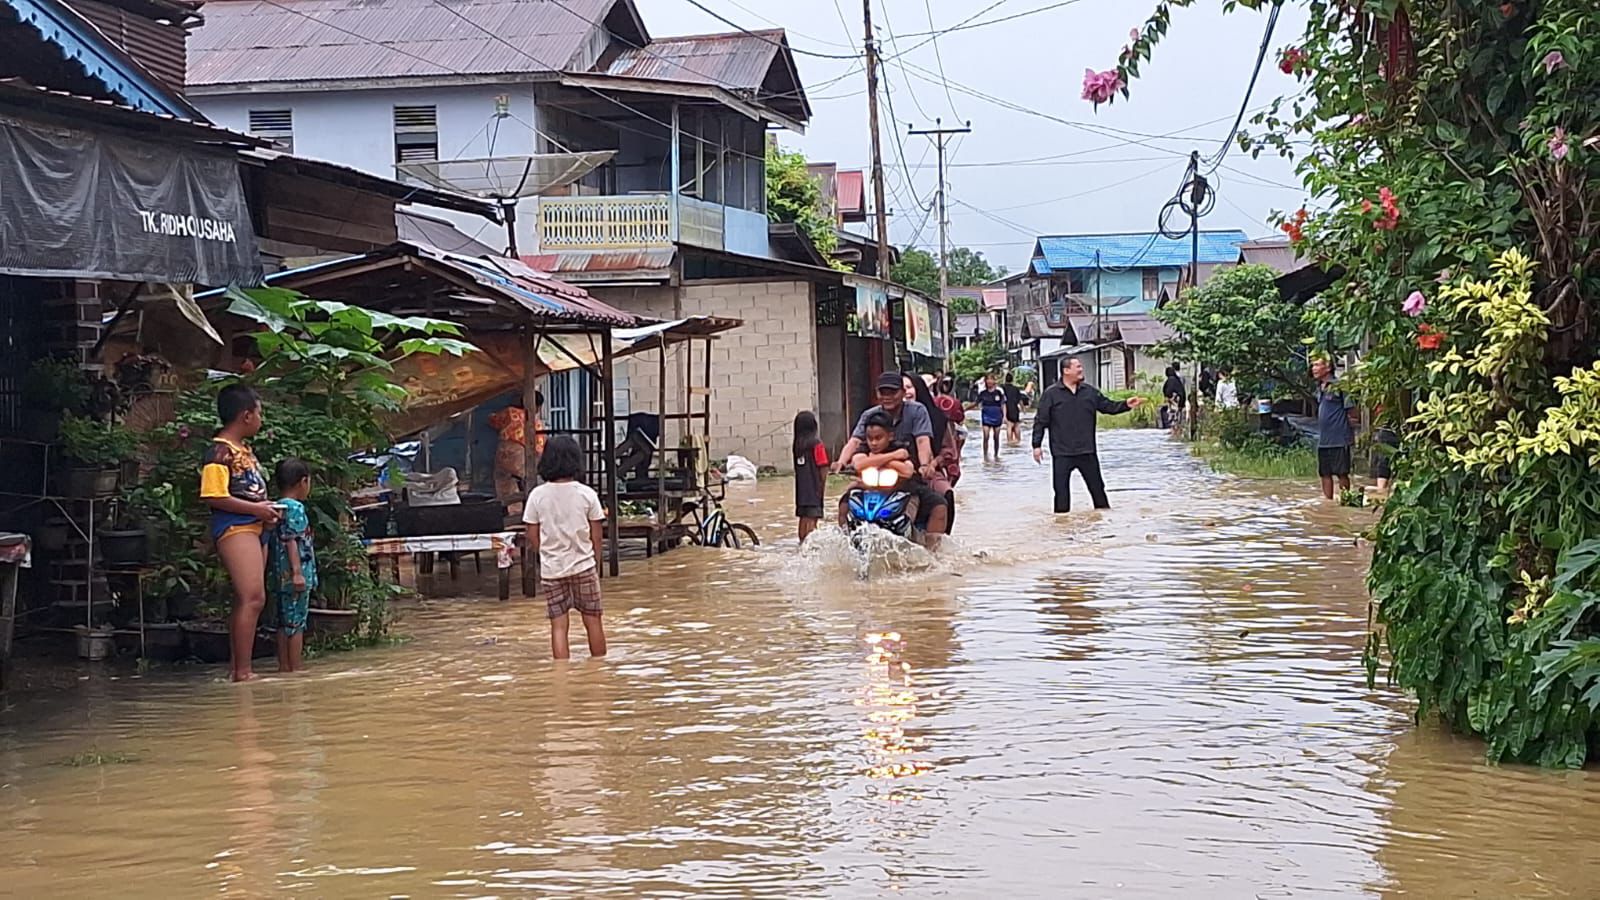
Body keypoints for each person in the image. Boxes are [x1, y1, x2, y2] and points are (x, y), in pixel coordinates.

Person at [200, 384, 282, 682]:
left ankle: (239, 669)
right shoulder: (220, 451)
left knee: (249, 598)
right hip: (236, 527)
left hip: (254, 525)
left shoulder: (242, 450)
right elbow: (213, 495)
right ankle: (243, 672)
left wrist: (265, 511)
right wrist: (258, 510)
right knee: (253, 597)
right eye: (259, 413)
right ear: (246, 416)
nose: (261, 419)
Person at [833, 372, 948, 540]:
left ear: (902, 392)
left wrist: (924, 465)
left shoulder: (916, 412)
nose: (887, 397)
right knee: (844, 504)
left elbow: (923, 442)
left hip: (906, 480)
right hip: (870, 481)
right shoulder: (870, 417)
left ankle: (932, 554)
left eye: (892, 392)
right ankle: (844, 543)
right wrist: (841, 463)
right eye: (883, 392)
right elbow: (854, 443)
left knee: (939, 505)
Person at [523, 436, 608, 659]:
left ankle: (561, 676)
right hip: (583, 566)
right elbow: (597, 536)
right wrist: (595, 562)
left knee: (558, 626)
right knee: (593, 621)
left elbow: (531, 534)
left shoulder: (537, 496)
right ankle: (599, 673)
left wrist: (546, 552)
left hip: (552, 569)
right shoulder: (587, 494)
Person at [1032, 358, 1145, 513]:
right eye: (1077, 367)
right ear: (1066, 371)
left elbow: (1108, 406)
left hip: (1087, 451)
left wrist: (1126, 405)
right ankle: (1062, 529)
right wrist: (1036, 445)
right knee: (1061, 494)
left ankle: (1104, 525)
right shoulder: (1051, 394)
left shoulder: (1089, 392)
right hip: (1062, 452)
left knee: (1098, 490)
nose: (1081, 370)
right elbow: (1041, 421)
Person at [268, 458, 317, 674]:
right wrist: (298, 573)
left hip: (280, 574)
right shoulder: (296, 508)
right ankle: (296, 670)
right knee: (297, 623)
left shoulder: (277, 506)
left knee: (284, 622)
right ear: (303, 481)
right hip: (296, 573)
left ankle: (284, 667)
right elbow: (291, 540)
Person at [489, 392, 544, 511]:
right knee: (525, 482)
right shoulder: (535, 423)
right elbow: (539, 448)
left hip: (504, 449)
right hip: (520, 454)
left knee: (503, 481)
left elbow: (492, 420)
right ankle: (518, 513)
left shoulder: (509, 412)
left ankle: (506, 509)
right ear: (538, 407)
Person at [1312, 356, 1358, 500]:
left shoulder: (1340, 386)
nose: (1313, 368)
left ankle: (1345, 500)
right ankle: (1328, 503)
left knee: (1341, 473)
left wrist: (1350, 433)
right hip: (1324, 440)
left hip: (1339, 439)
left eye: (1317, 365)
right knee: (1325, 473)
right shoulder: (1320, 387)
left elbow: (1352, 411)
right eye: (1313, 365)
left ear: (1328, 367)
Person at [792, 411, 829, 544]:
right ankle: (810, 549)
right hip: (814, 489)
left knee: (803, 519)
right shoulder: (816, 443)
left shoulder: (797, 446)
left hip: (801, 492)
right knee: (812, 521)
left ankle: (802, 546)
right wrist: (822, 487)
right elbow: (823, 466)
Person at [976, 374, 1005, 458]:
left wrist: (1005, 416)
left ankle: (996, 455)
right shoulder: (982, 393)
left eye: (991, 379)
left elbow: (1003, 405)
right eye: (987, 379)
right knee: (986, 436)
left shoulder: (999, 393)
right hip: (986, 416)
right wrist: (965, 409)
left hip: (997, 416)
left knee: (996, 437)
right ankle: (985, 455)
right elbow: (976, 403)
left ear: (994, 381)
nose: (989, 381)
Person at [1002, 374, 1029, 444]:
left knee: (1009, 425)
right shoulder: (1016, 389)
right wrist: (1023, 410)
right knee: (1016, 425)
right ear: (1012, 379)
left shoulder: (1002, 388)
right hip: (1015, 409)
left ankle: (1009, 441)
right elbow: (1020, 400)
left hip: (1006, 408)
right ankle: (1018, 440)